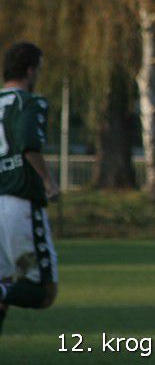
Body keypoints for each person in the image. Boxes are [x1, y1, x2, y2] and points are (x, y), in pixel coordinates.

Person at [0, 42, 59, 336]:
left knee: (5, 289)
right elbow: (27, 143)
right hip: (19, 204)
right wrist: (49, 181)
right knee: (43, 291)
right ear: (31, 69)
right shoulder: (30, 102)